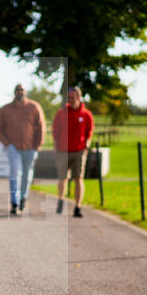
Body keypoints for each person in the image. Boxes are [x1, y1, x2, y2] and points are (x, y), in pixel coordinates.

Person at [0, 83, 45, 215]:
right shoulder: (6, 109)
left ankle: (23, 197)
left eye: (22, 90)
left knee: (26, 175)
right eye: (17, 90)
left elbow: (41, 127)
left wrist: (38, 144)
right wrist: (7, 143)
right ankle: (14, 201)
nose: (20, 92)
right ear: (14, 92)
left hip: (30, 148)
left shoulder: (34, 107)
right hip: (14, 148)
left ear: (25, 92)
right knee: (14, 174)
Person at [53, 86, 94, 217]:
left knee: (78, 178)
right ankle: (60, 199)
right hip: (63, 150)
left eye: (72, 97)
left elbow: (89, 132)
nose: (69, 100)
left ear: (79, 97)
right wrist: (55, 146)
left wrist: (86, 145)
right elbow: (56, 131)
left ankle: (77, 206)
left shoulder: (86, 115)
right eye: (68, 98)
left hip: (79, 151)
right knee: (62, 178)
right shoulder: (61, 113)